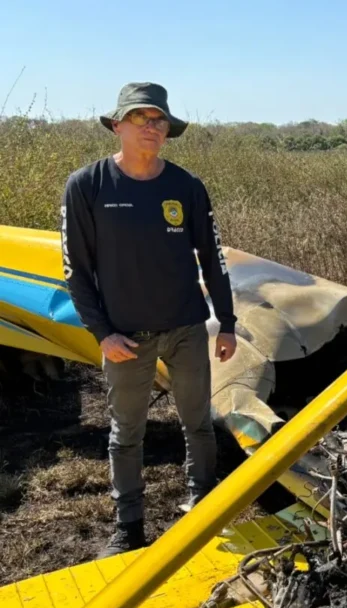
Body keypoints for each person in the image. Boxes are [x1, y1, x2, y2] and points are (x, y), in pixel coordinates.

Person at [60, 82, 238, 557]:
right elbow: (76, 269)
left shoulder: (186, 186)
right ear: (117, 125)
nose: (151, 127)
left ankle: (202, 505)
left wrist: (227, 322)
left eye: (159, 119)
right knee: (126, 433)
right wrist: (103, 333)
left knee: (198, 423)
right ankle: (129, 527)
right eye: (140, 117)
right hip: (125, 337)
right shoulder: (88, 185)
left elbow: (213, 258)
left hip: (185, 328)